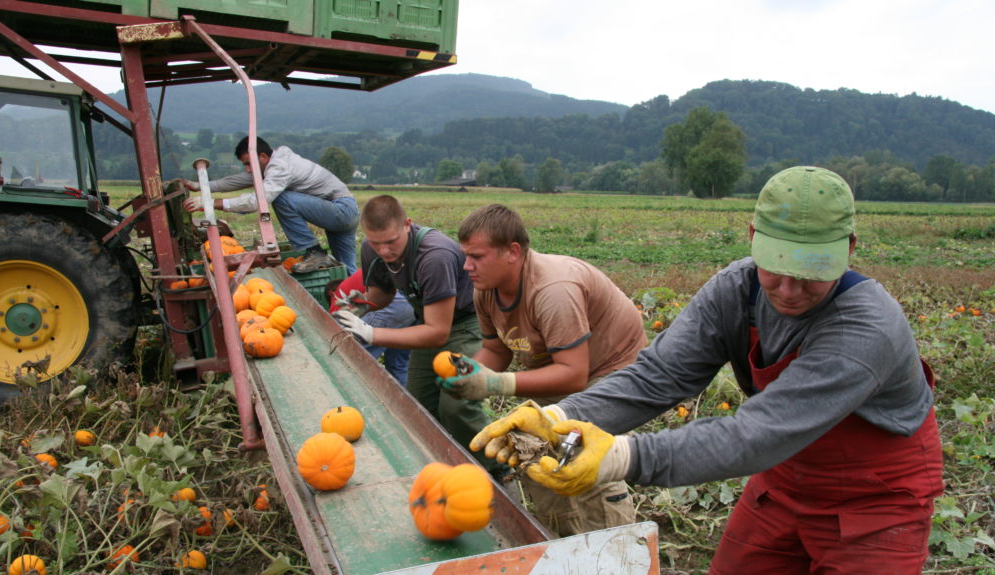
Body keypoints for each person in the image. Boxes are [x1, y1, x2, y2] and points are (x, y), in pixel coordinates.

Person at [471, 166, 944, 573]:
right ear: (754, 238)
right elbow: (657, 375)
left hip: (875, 502)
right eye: (776, 267)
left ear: (849, 248)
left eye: (812, 270)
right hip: (784, 482)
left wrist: (623, 457)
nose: (790, 289)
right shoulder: (736, 291)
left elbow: (759, 433)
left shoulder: (866, 327)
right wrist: (558, 418)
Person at [434, 203, 645, 536]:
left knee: (585, 459)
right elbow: (495, 349)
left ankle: (616, 549)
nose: (467, 266)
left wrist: (497, 383)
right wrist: (469, 373)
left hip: (613, 370)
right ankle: (565, 543)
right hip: (561, 365)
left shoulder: (553, 291)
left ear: (512, 252)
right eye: (466, 255)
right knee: (538, 456)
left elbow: (575, 375)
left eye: (477, 256)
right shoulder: (485, 289)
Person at [331, 195, 502, 473]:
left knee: (457, 403)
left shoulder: (435, 256)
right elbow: (382, 294)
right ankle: (443, 461)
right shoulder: (371, 248)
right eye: (376, 243)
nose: (384, 251)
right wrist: (360, 303)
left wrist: (372, 334)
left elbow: (438, 333)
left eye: (391, 242)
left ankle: (496, 470)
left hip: (467, 323)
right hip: (427, 320)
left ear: (407, 225)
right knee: (419, 406)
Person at [183, 137, 359, 274]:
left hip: (340, 210)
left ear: (263, 157)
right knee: (346, 270)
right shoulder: (270, 165)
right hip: (344, 211)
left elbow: (257, 200)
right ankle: (362, 313)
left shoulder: (279, 168)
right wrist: (202, 185)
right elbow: (238, 180)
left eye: (248, 163)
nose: (248, 169)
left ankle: (313, 251)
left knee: (281, 198)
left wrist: (211, 203)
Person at [326, 270, 413, 386]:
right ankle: (403, 401)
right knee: (398, 364)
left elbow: (334, 328)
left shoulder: (336, 298)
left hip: (390, 301)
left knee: (352, 357)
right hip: (410, 300)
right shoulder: (351, 283)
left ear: (329, 293)